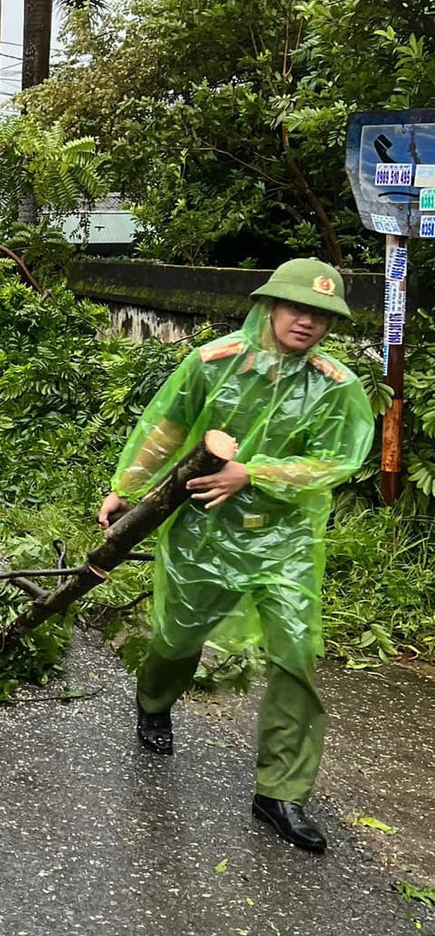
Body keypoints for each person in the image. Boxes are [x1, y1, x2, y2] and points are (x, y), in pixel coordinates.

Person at [98, 259, 374, 854]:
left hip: (288, 540)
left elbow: (338, 460)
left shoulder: (336, 385)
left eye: (321, 314)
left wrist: (255, 473)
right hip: (204, 531)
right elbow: (166, 429)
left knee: (297, 654)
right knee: (178, 636)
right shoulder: (213, 363)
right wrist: (126, 487)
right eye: (297, 307)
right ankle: (153, 703)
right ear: (269, 306)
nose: (307, 321)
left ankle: (280, 791)